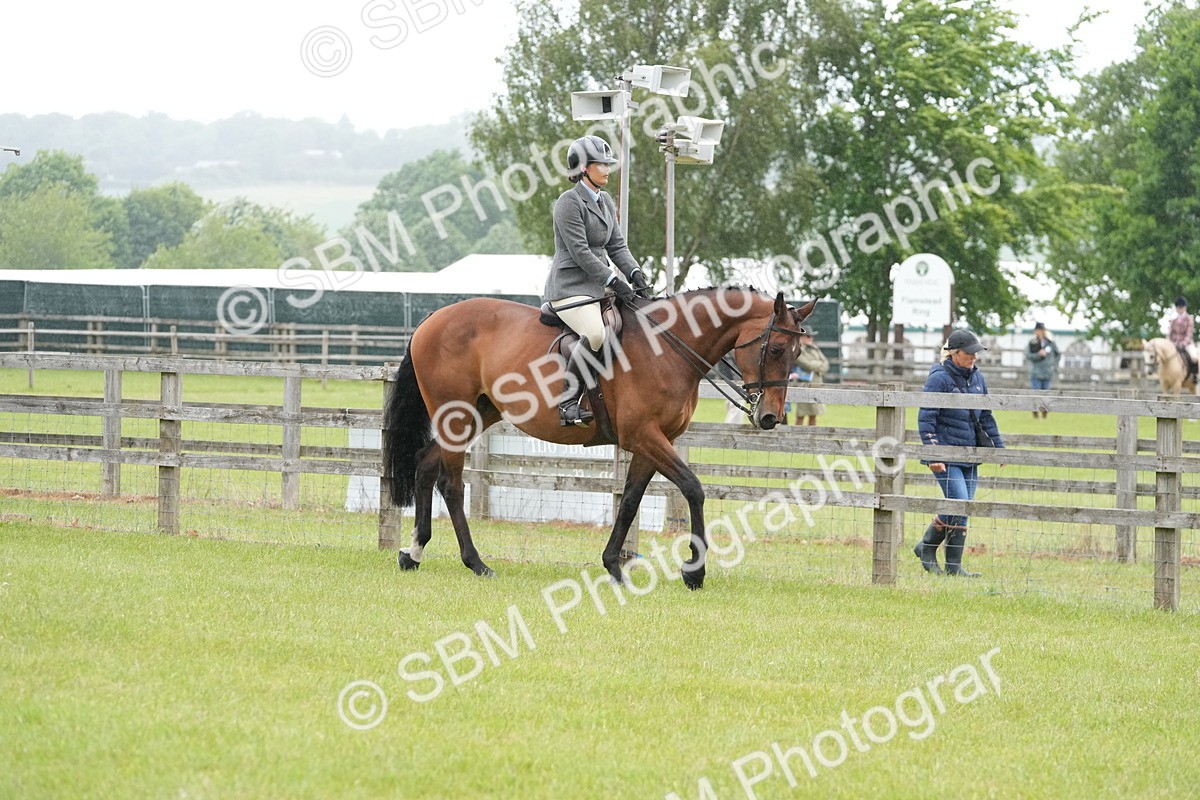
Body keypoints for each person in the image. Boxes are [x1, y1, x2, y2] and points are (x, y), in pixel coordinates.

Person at [543, 135, 652, 427]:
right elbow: (580, 252)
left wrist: (634, 274)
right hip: (569, 288)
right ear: (582, 168)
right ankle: (567, 401)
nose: (606, 169)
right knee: (595, 333)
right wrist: (613, 280)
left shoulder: (605, 200)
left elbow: (616, 245)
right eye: (600, 164)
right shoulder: (568, 203)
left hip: (598, 287)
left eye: (608, 164)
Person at [914, 329, 1004, 577]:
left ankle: (952, 566)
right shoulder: (938, 379)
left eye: (976, 352)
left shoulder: (978, 379)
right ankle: (927, 547)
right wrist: (934, 454)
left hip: (969, 454)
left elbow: (985, 416)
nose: (974, 357)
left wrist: (999, 447)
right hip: (945, 453)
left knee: (964, 507)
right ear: (955, 354)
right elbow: (926, 419)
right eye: (969, 353)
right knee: (959, 503)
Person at [786, 330, 829, 425]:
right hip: (803, 385)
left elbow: (826, 363)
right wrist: (819, 365)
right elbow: (807, 364)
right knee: (801, 413)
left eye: (811, 336)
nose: (811, 339)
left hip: (816, 384)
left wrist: (816, 365)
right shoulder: (797, 350)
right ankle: (797, 436)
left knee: (814, 413)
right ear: (802, 337)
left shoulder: (814, 348)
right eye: (808, 336)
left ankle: (811, 436)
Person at [1025, 322, 1060, 418]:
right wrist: (1038, 354)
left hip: (1047, 372)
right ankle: (1035, 411)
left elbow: (1058, 354)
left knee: (1046, 393)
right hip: (1036, 372)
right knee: (1036, 393)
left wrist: (1054, 365)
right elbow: (1028, 355)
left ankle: (1045, 412)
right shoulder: (1033, 343)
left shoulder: (1050, 342)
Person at [1168, 296, 1198, 385]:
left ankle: (1195, 376)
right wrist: (1170, 343)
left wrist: (1183, 343)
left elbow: (1189, 333)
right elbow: (1170, 334)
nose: (1180, 309)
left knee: (1194, 357)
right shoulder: (1174, 320)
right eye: (1178, 307)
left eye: (1181, 307)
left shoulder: (1189, 318)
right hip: (1175, 344)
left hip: (1187, 343)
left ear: (1184, 307)